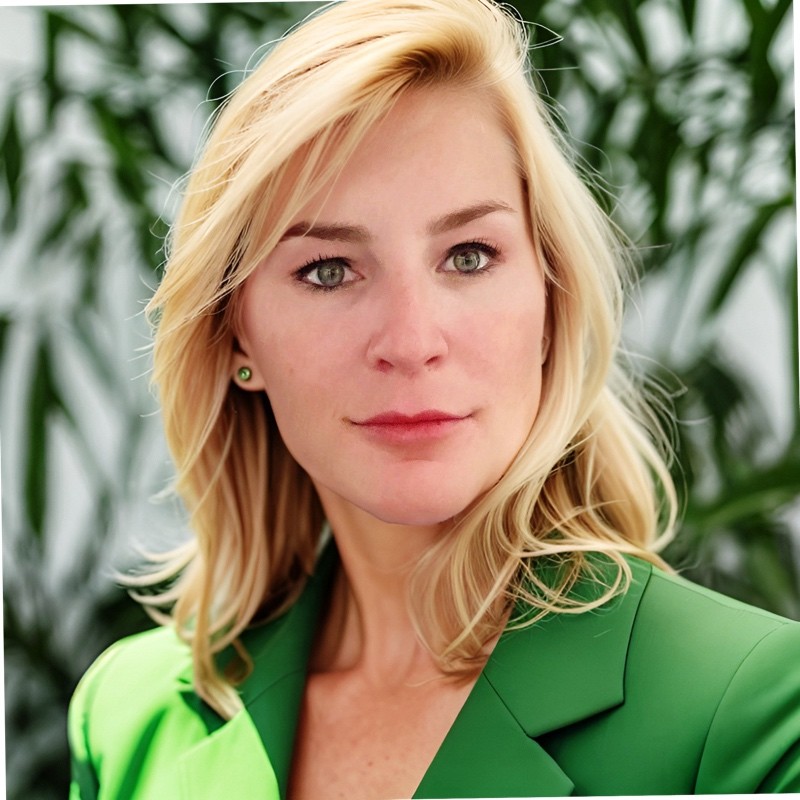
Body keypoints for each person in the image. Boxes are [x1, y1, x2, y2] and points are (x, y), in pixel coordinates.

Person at [68, 0, 800, 797]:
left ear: (551, 299)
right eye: (328, 271)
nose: (412, 341)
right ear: (237, 337)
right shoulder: (130, 719)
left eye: (469, 255)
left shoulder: (752, 709)